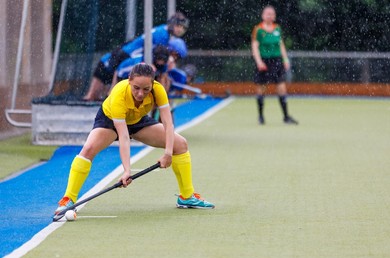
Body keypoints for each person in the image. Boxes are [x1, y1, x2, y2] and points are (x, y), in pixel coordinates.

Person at [54, 63, 214, 216]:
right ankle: (68, 199)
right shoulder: (118, 94)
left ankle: (186, 196)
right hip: (110, 121)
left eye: (146, 89)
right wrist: (127, 171)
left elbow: (168, 124)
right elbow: (123, 136)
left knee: (180, 144)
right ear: (129, 81)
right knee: (88, 150)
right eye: (136, 88)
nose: (140, 93)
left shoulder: (159, 90)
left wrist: (168, 153)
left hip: (137, 120)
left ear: (153, 85)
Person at [83, 12, 189, 101]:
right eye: (178, 26)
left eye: (183, 28)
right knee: (111, 72)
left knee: (110, 74)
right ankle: (105, 97)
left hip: (127, 51)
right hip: (128, 53)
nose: (180, 30)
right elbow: (155, 53)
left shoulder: (162, 30)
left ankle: (104, 97)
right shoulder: (163, 35)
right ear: (172, 24)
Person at [251, 5, 298, 125]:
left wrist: (285, 59)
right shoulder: (258, 29)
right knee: (261, 89)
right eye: (267, 13)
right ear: (263, 15)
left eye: (272, 14)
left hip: (276, 61)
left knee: (281, 88)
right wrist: (259, 62)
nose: (269, 16)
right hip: (264, 61)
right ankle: (261, 116)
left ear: (274, 16)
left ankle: (286, 117)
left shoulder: (277, 28)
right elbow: (255, 47)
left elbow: (281, 45)